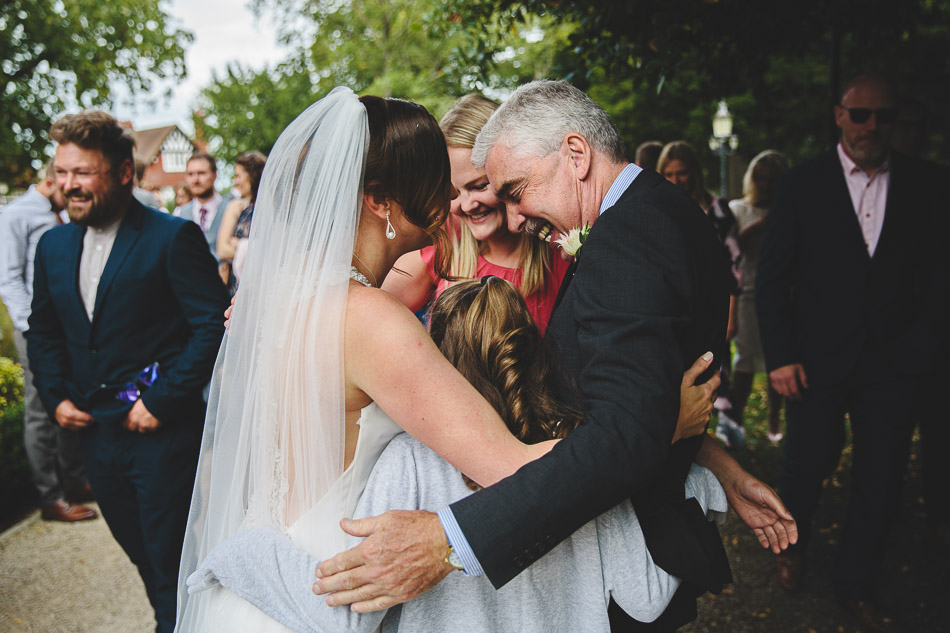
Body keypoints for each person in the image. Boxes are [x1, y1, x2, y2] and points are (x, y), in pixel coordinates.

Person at [314, 81, 797, 632]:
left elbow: (621, 428)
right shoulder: (658, 214)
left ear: (576, 153)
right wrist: (676, 435)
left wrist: (449, 542)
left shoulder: (626, 237)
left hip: (608, 542)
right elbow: (628, 407)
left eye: (516, 189)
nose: (514, 214)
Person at [185, 276, 730, 632]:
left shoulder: (409, 462)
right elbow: (646, 596)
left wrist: (234, 554)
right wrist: (699, 484)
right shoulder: (582, 464)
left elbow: (345, 620)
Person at [756, 74, 947, 633]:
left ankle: (857, 583)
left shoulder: (930, 184)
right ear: (839, 115)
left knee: (880, 478)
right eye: (860, 115)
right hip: (814, 363)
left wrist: (926, 342)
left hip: (895, 365)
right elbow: (772, 280)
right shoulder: (801, 184)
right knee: (805, 466)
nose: (872, 127)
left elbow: (939, 275)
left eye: (883, 116)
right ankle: (792, 546)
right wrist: (782, 356)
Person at [27, 110, 230, 633]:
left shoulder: (171, 237)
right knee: (143, 559)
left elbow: (212, 326)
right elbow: (43, 332)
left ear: (121, 172)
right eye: (62, 172)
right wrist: (54, 396)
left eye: (83, 173)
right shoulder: (52, 246)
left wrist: (160, 401)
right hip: (94, 437)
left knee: (171, 565)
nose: (69, 185)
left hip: (162, 436)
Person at [383, 94, 570, 334]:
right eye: (453, 191)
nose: (467, 205)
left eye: (480, 186)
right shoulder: (446, 243)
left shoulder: (561, 250)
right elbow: (369, 314)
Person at [0, 162, 96, 522]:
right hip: (35, 331)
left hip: (67, 329)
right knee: (41, 409)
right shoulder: (15, 215)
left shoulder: (61, 216)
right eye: (67, 184)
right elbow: (8, 278)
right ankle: (50, 497)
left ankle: (75, 480)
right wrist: (33, 329)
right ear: (51, 181)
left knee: (68, 398)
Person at [657, 140, 744, 449]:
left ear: (693, 173)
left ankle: (725, 432)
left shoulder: (717, 209)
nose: (676, 180)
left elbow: (734, 266)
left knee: (718, 369)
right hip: (674, 304)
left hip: (713, 303)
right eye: (668, 173)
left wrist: (731, 315)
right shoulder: (659, 208)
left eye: (682, 173)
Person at [728, 150, 788, 444]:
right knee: (745, 359)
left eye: (771, 180)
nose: (764, 185)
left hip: (781, 293)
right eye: (760, 178)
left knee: (779, 355)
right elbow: (727, 251)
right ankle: (736, 421)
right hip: (746, 292)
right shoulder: (737, 209)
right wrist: (751, 233)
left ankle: (774, 418)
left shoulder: (788, 210)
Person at [214, 150, 266, 290]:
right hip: (239, 285)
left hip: (264, 283)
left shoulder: (271, 208)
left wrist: (238, 244)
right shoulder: (236, 206)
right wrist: (255, 249)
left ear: (252, 176)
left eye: (238, 176)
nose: (235, 182)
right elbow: (222, 250)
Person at [177, 152, 233, 258]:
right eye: (190, 174)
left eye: (201, 173)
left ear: (214, 175)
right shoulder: (180, 214)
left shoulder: (230, 209)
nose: (195, 180)